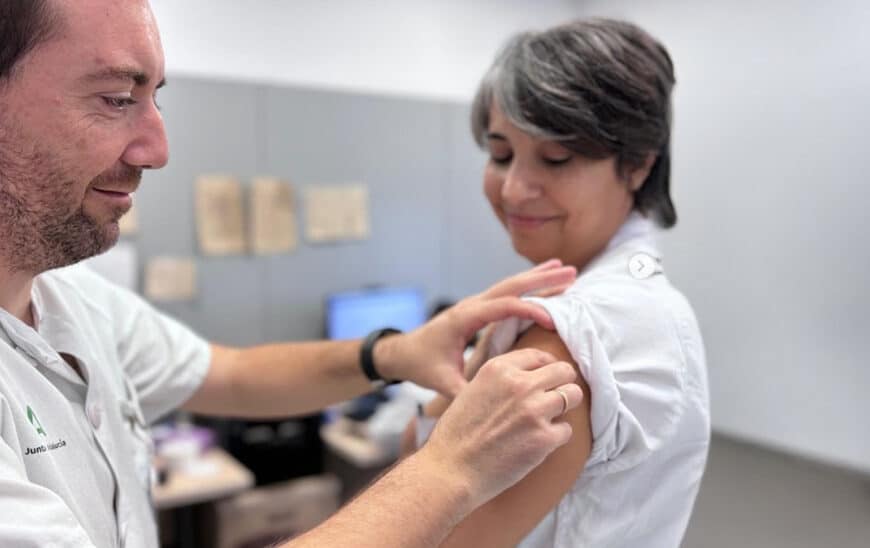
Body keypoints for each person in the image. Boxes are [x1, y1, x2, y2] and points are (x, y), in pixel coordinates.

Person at [0, 1, 586, 547]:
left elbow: (231, 375)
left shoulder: (75, 301)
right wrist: (453, 468)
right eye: (115, 99)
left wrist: (395, 354)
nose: (157, 149)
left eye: (156, 100)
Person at [404, 18, 711, 547]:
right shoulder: (623, 296)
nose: (515, 189)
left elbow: (422, 535)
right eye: (500, 154)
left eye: (556, 157)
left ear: (637, 164)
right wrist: (464, 373)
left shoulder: (572, 333)